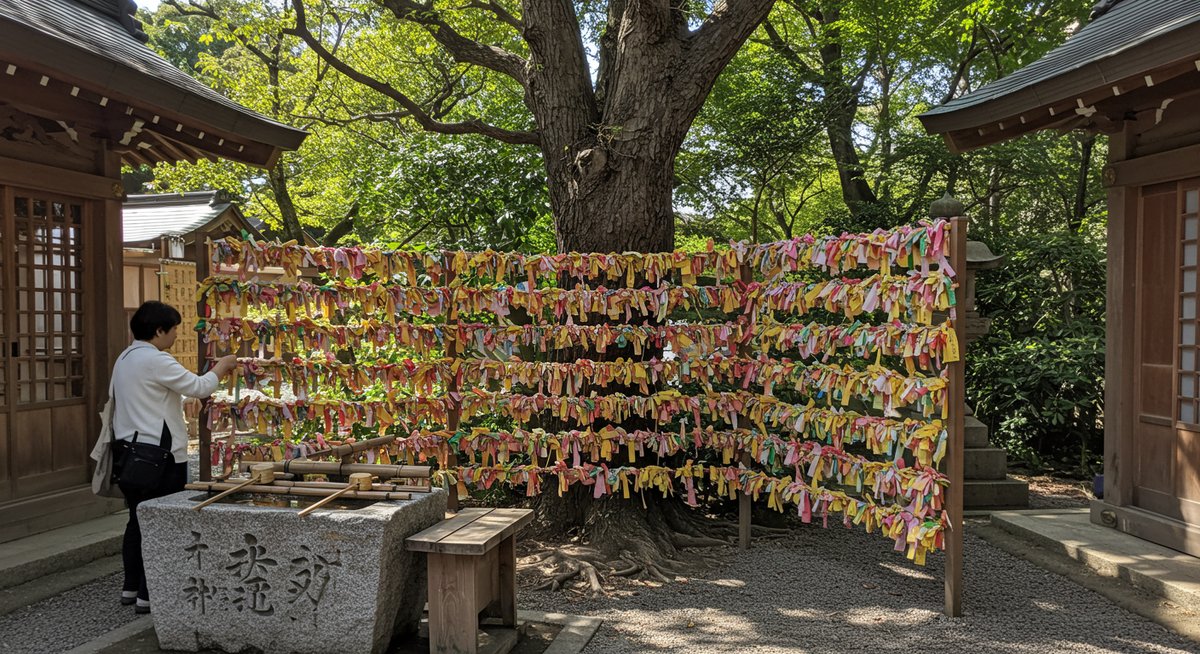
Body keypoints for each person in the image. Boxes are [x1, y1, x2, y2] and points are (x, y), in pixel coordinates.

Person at [111, 301, 237, 614]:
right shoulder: (156, 359)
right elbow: (198, 387)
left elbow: (151, 394)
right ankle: (149, 595)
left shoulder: (125, 358)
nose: (176, 336)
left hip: (129, 453)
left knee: (136, 522)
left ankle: (131, 588)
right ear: (159, 330)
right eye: (174, 329)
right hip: (159, 457)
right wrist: (221, 367)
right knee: (160, 524)